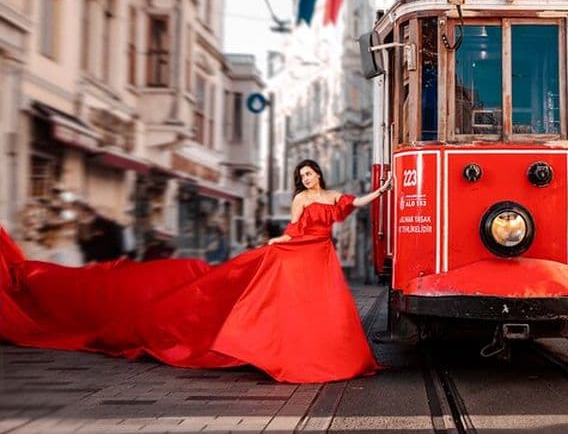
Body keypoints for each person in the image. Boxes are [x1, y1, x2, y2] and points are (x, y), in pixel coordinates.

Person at [0, 159, 392, 383]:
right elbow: (292, 230)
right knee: (276, 301)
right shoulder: (303, 199)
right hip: (296, 253)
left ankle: (329, 355)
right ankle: (281, 351)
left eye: (310, 174)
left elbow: (357, 201)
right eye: (302, 176)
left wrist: (385, 187)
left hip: (319, 255)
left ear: (319, 174)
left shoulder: (331, 196)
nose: (307, 179)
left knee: (323, 307)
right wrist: (275, 243)